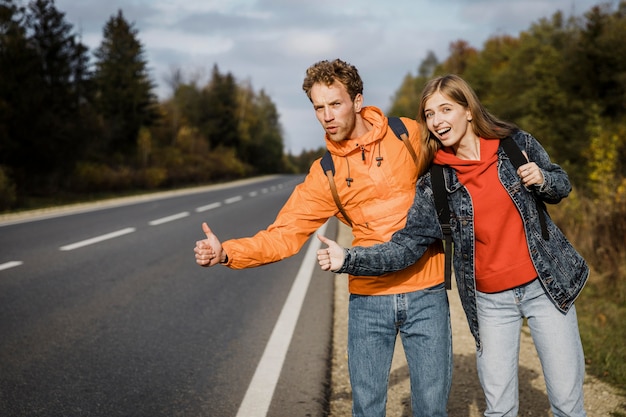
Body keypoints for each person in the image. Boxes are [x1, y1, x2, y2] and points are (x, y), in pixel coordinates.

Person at [317, 74, 589, 417]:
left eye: (446, 109)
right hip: (491, 302)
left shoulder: (514, 144)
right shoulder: (436, 181)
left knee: (567, 404)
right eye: (430, 114)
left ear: (469, 110)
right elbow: (406, 246)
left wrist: (544, 179)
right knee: (500, 410)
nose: (438, 121)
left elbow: (561, 184)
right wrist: (349, 259)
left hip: (545, 288)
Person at [194, 59, 451, 417]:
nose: (327, 115)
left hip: (428, 292)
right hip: (369, 300)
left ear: (357, 101)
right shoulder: (325, 173)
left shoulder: (408, 135)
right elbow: (283, 235)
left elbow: (461, 163)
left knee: (432, 410)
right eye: (318, 107)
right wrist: (228, 253)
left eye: (335, 104)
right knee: (367, 410)